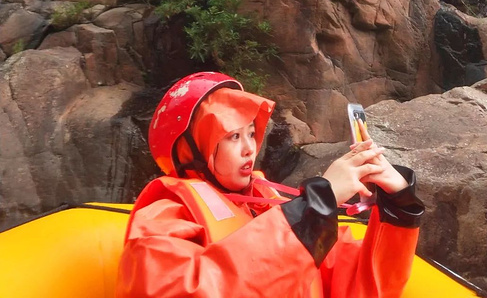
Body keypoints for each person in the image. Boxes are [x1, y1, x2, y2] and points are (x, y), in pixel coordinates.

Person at [115, 72, 424, 298]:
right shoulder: (166, 215)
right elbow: (177, 290)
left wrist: (399, 207)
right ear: (191, 150)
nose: (250, 148)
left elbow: (361, 285)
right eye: (233, 136)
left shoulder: (264, 202)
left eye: (251, 133)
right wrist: (314, 207)